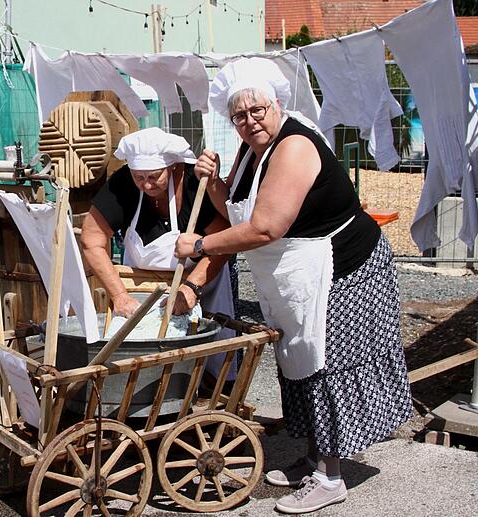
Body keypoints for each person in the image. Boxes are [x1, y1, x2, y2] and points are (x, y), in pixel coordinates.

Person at [175, 58, 413, 514]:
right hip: (295, 277)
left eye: (257, 110)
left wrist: (201, 244)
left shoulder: (295, 145)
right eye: (239, 115)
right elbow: (239, 210)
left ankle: (331, 476)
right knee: (298, 361)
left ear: (277, 104)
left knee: (327, 366)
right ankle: (312, 458)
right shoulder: (251, 150)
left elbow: (265, 227)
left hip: (342, 270)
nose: (249, 121)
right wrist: (213, 182)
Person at [80, 127, 237, 377]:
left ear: (173, 167)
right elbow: (91, 239)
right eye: (139, 177)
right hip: (141, 289)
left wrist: (191, 287)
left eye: (154, 176)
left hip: (202, 280)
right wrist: (119, 295)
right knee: (142, 354)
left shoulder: (194, 184)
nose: (146, 184)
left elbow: (223, 244)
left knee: (209, 356)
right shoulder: (123, 184)